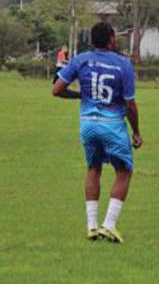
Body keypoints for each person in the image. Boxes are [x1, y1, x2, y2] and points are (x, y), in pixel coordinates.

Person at [52, 22, 142, 243]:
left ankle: (92, 226)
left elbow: (56, 89)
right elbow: (130, 104)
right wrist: (137, 132)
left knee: (93, 168)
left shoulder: (81, 60)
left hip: (88, 124)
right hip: (112, 124)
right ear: (111, 38)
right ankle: (109, 225)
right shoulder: (123, 65)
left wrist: (81, 96)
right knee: (123, 171)